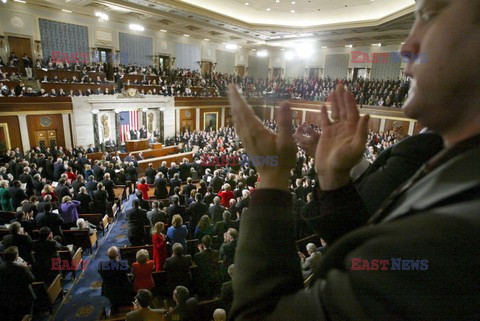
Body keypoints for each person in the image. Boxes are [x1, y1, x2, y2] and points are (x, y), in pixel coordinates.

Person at [227, 0, 480, 316]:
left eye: (428, 15)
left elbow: (261, 315)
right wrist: (334, 183)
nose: (407, 47)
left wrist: (272, 175)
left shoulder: (451, 242)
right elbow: (361, 259)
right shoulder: (457, 169)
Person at [0, 246, 36, 321]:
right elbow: (31, 279)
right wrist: (26, 269)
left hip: (8, 297)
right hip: (23, 296)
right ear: (15, 256)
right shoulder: (20, 269)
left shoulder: (1, 267)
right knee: (27, 315)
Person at [97, 246, 133, 314]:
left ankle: (114, 310)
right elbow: (129, 270)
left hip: (109, 290)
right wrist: (118, 261)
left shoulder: (102, 265)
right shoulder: (121, 264)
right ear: (117, 255)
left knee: (114, 303)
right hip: (123, 287)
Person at [193, 235, 221, 300]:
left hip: (203, 278)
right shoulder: (216, 253)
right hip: (214, 277)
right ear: (211, 243)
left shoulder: (198, 255)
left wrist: (201, 251)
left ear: (202, 244)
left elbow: (200, 260)